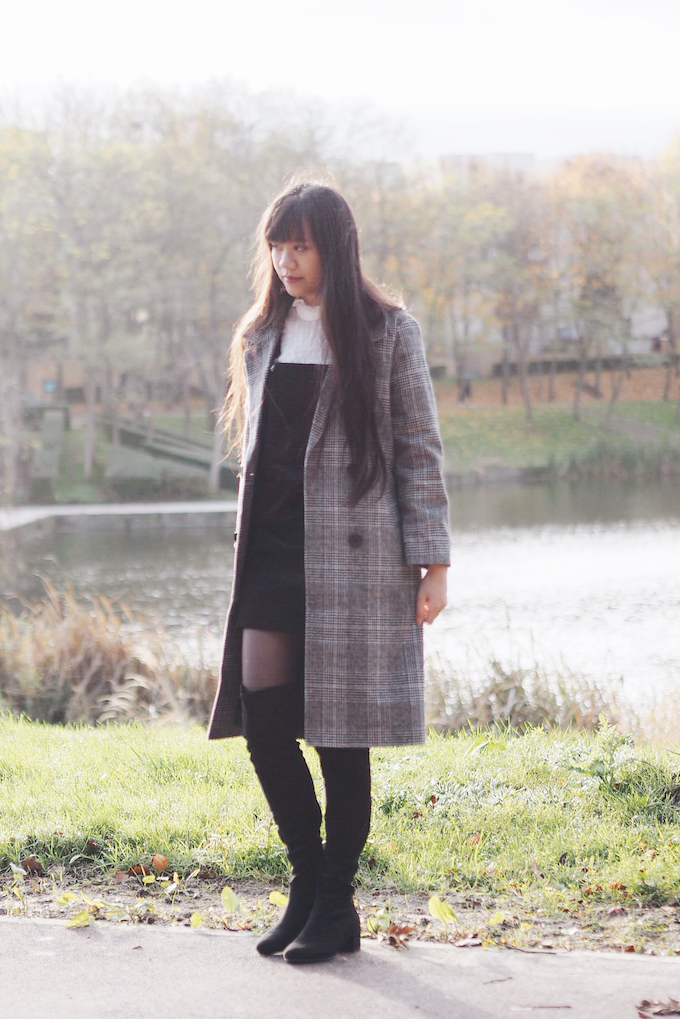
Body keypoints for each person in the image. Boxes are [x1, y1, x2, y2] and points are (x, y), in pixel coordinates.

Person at [207, 180, 450, 964]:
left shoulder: (387, 332)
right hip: (272, 552)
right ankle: (307, 880)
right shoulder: (261, 333)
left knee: (342, 738)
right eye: (277, 246)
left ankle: (338, 901)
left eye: (301, 246)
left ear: (335, 249)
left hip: (355, 561)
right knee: (265, 724)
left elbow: (419, 449)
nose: (286, 261)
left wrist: (433, 563)